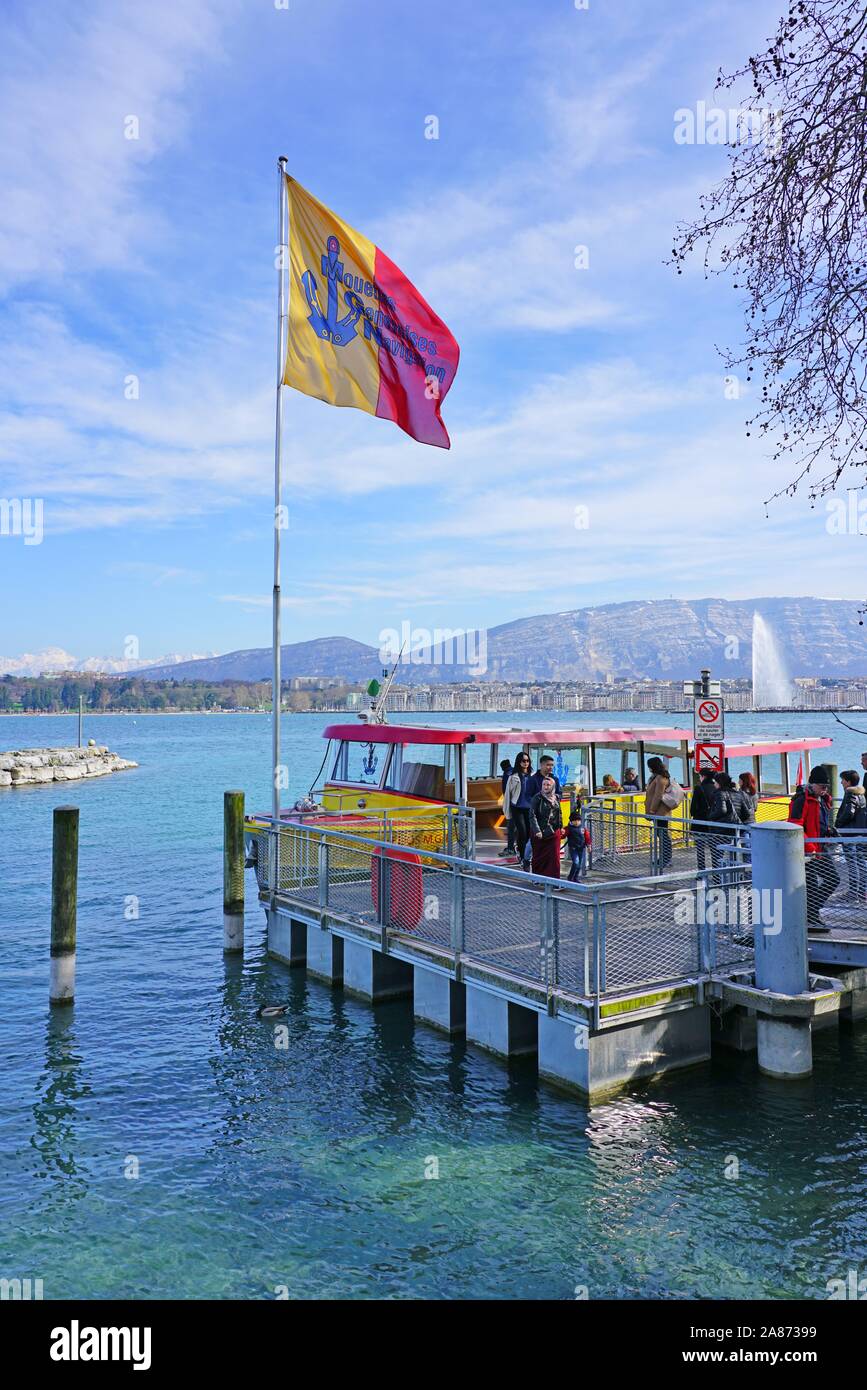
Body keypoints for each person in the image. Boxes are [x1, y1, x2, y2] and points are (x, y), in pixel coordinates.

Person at [788, 766, 840, 931]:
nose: (825, 790)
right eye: (822, 786)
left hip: (819, 848)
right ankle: (810, 917)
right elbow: (795, 826)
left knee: (830, 880)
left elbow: (819, 823)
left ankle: (810, 915)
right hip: (808, 851)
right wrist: (810, 847)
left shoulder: (822, 800)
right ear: (813, 784)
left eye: (827, 787)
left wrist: (829, 831)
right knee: (813, 884)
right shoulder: (802, 799)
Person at [835, 770, 867, 901]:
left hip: (850, 834)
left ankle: (853, 892)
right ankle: (863, 891)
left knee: (853, 863)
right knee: (861, 862)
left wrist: (838, 824)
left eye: (842, 780)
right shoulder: (861, 795)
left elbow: (849, 813)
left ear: (848, 782)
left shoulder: (851, 794)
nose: (841, 782)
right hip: (860, 834)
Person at [707, 772, 740, 880]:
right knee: (733, 855)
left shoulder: (719, 793)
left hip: (721, 829)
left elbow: (722, 810)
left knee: (717, 855)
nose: (714, 784)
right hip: (734, 828)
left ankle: (717, 879)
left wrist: (710, 817)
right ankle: (732, 878)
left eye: (715, 782)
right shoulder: (735, 793)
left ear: (719, 783)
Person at [529, 775, 563, 878]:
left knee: (554, 857)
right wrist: (537, 831)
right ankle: (537, 878)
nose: (546, 787)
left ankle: (555, 879)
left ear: (553, 786)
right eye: (544, 784)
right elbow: (532, 815)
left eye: (548, 785)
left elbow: (559, 814)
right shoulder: (537, 798)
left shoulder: (556, 798)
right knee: (539, 856)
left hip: (554, 831)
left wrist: (561, 827)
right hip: (540, 832)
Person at [645, 756, 674, 869]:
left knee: (663, 835)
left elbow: (658, 795)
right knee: (661, 834)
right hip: (658, 812)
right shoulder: (658, 777)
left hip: (660, 812)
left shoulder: (661, 778)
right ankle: (663, 858)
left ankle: (666, 859)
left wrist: (652, 809)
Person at [504, 752, 533, 869]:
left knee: (530, 833)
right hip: (517, 808)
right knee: (522, 832)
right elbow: (507, 795)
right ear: (519, 762)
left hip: (530, 808)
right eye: (523, 761)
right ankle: (522, 856)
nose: (525, 763)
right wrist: (507, 811)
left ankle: (527, 856)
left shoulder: (532, 776)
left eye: (527, 761)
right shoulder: (513, 776)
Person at [690, 771, 717, 872]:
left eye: (700, 776)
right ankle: (716, 873)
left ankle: (701, 872)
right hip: (713, 824)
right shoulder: (715, 787)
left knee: (700, 849)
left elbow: (693, 808)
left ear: (703, 776)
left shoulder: (699, 788)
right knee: (714, 850)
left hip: (700, 823)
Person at [565, 803, 589, 882]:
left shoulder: (582, 828)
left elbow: (587, 837)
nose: (577, 822)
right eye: (575, 820)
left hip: (581, 848)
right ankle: (570, 877)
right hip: (573, 848)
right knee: (576, 862)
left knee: (579, 865)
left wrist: (588, 845)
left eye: (578, 820)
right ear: (571, 821)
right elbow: (563, 835)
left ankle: (575, 878)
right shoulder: (568, 828)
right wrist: (561, 832)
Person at [499, 758, 515, 856]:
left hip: (511, 803)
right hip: (519, 803)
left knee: (511, 825)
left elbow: (505, 790)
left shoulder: (506, 774)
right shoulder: (515, 771)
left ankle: (510, 847)